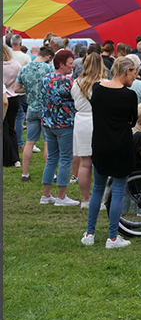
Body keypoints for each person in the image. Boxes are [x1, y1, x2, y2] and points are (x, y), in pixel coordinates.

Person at [80, 57, 138, 249]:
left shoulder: (97, 89)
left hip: (100, 144)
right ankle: (112, 237)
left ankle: (90, 233)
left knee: (98, 188)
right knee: (118, 191)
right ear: (127, 71)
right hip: (121, 145)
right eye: (135, 73)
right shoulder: (129, 96)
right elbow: (132, 120)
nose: (135, 78)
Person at [39, 49, 79, 206]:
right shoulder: (68, 82)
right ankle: (61, 196)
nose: (73, 66)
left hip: (48, 123)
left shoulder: (45, 79)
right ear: (61, 64)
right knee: (65, 158)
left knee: (52, 159)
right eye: (70, 63)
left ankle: (46, 195)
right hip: (64, 124)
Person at [71, 53, 109, 210]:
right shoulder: (106, 83)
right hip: (99, 121)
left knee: (85, 163)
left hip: (82, 122)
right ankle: (100, 199)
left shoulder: (76, 83)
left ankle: (86, 199)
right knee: (102, 163)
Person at [16, 46, 53, 180]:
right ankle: (51, 173)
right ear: (48, 57)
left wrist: (28, 90)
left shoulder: (24, 69)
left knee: (30, 142)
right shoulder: (49, 69)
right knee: (47, 142)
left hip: (31, 108)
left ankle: (25, 173)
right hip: (46, 109)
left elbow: (16, 88)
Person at [3, 45, 22, 167]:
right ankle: (16, 159)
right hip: (15, 97)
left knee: (4, 129)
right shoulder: (16, 64)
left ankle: (7, 158)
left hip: (3, 97)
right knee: (12, 128)